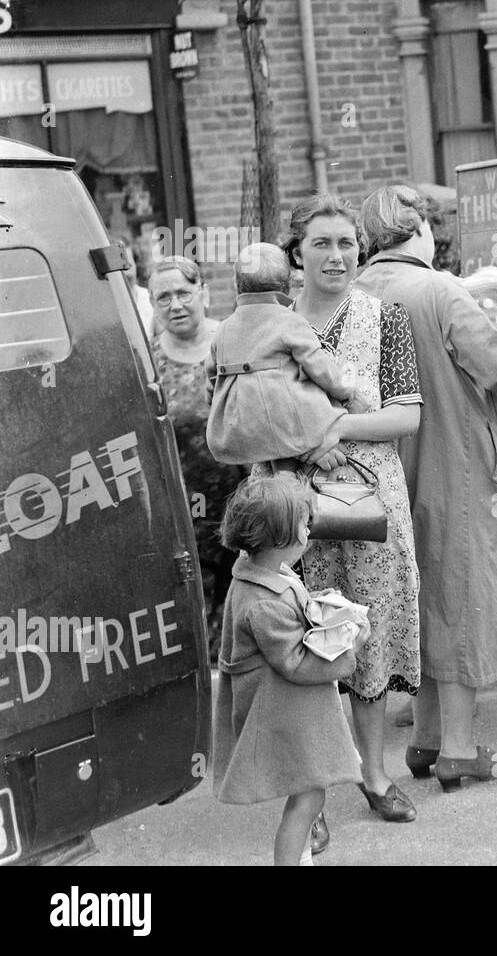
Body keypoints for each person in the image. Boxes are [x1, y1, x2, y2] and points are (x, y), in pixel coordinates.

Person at [353, 184, 497, 790]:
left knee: (413, 597)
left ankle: (421, 740)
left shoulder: (354, 293)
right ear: (418, 229)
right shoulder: (439, 289)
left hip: (379, 468)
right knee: (460, 596)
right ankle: (459, 749)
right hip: (456, 462)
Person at [275, 194, 424, 829]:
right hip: (292, 501)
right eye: (321, 244)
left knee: (362, 636)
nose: (336, 256)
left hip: (370, 500)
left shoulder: (383, 319)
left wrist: (336, 427)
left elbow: (407, 415)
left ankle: (374, 771)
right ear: (296, 255)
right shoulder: (270, 325)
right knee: (300, 638)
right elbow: (251, 416)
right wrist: (305, 441)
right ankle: (311, 793)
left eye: (346, 244)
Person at [211, 474, 367, 866]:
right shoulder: (265, 601)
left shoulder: (263, 573)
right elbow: (295, 662)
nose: (308, 532)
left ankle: (300, 862)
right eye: (303, 525)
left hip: (285, 707)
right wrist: (350, 646)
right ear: (280, 537)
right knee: (309, 795)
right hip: (282, 711)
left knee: (308, 794)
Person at [148, 256, 244, 660]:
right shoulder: (147, 363)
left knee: (246, 628)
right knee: (198, 637)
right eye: (163, 297)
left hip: (247, 507)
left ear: (202, 292)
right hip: (185, 516)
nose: (175, 304)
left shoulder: (233, 341)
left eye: (184, 292)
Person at [206, 243, 367, 466]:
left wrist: (218, 406)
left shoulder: (222, 329)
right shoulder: (289, 321)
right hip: (285, 422)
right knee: (304, 404)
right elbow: (319, 366)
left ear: (236, 286)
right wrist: (347, 393)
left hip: (239, 431)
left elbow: (212, 381)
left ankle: (280, 478)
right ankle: (303, 462)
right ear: (287, 285)